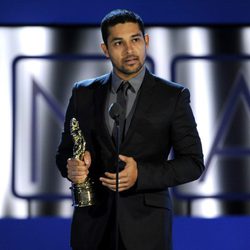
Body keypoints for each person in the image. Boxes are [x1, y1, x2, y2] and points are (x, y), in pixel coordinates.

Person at [56, 9, 205, 250]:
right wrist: (72, 167)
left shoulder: (172, 96)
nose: (129, 50)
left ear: (146, 41)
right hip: (92, 226)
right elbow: (64, 153)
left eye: (135, 40)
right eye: (118, 43)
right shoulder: (82, 93)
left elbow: (193, 163)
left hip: (147, 229)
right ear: (105, 49)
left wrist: (141, 175)